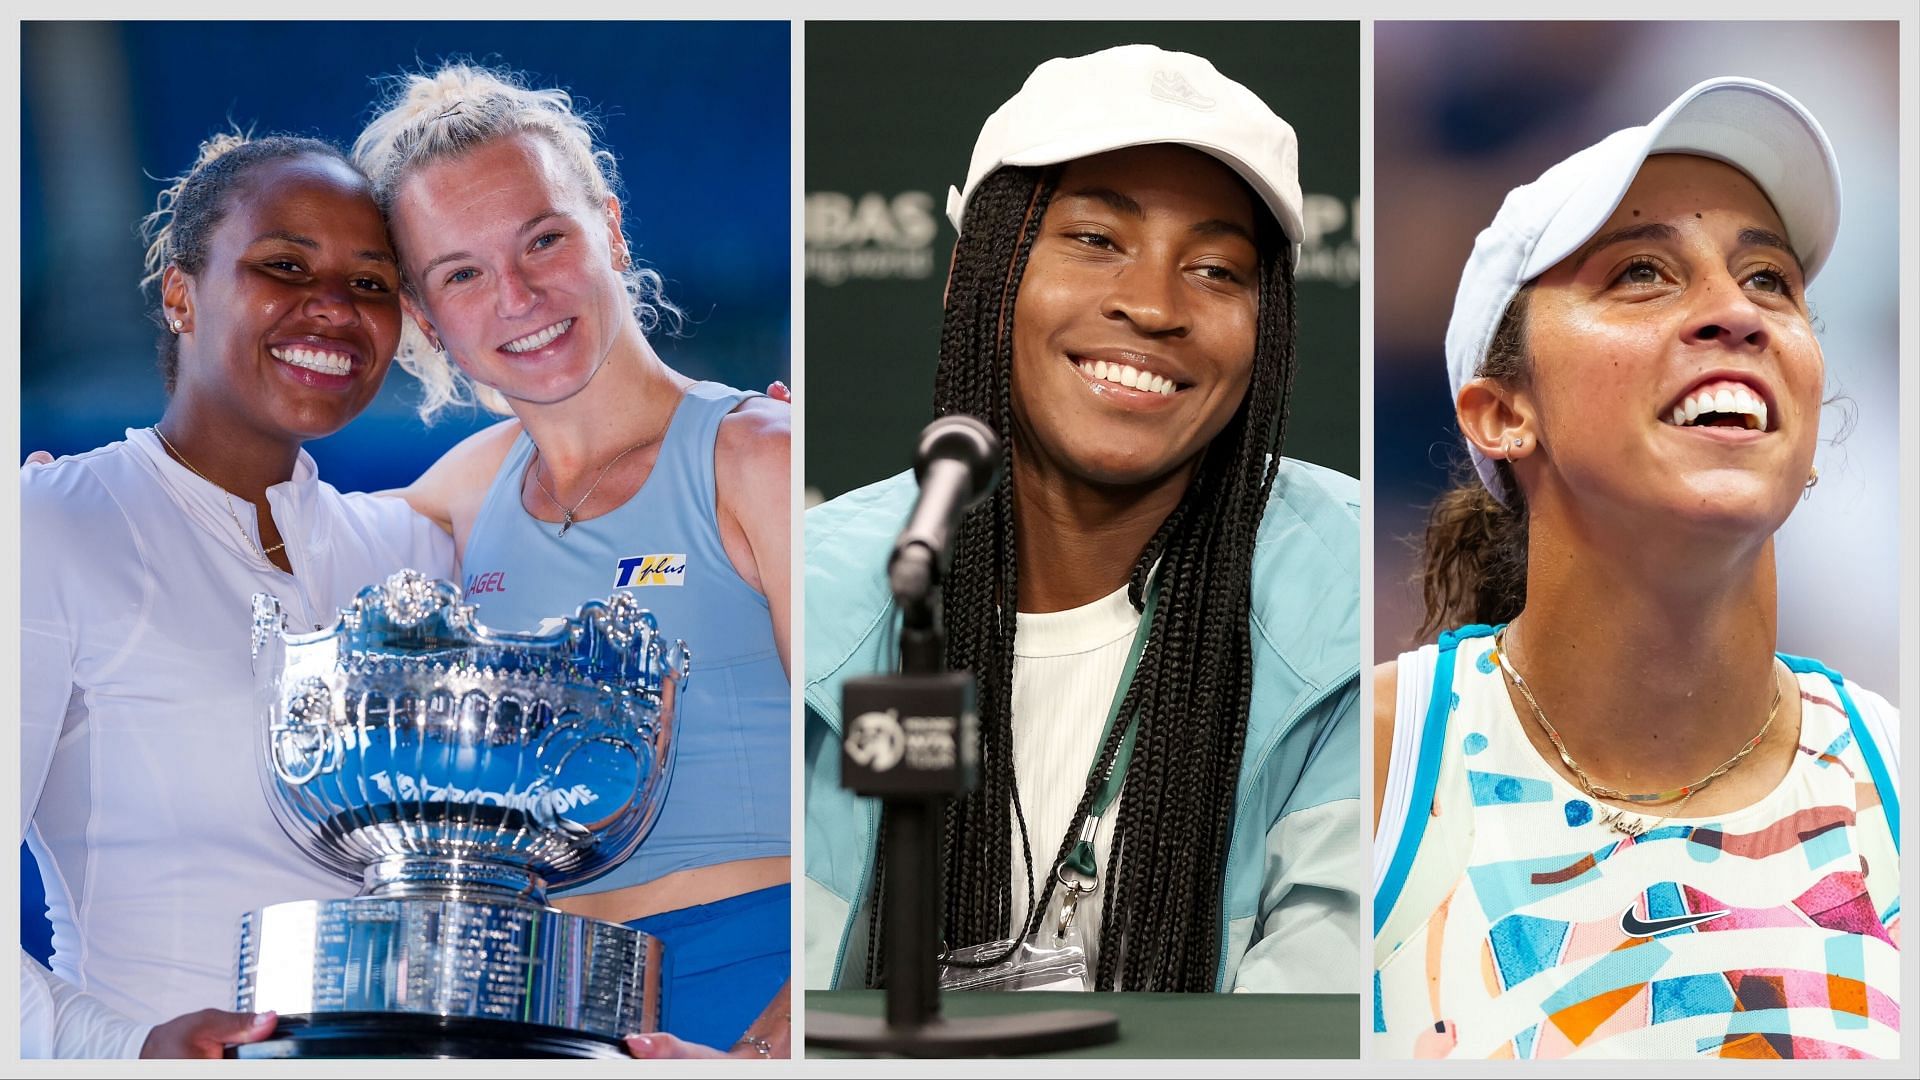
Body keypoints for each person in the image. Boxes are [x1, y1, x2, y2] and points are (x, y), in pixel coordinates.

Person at [804, 44, 1361, 994]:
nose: (1152, 305)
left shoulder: (1351, 602)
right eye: (1097, 240)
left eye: (1219, 270)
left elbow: (1314, 1023)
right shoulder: (815, 593)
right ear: (972, 277)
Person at [1371, 77, 1900, 1059]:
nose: (1735, 315)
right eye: (1643, 274)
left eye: (1771, 281)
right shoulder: (1365, 767)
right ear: (1503, 413)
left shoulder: (1901, 782)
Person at [350, 64, 792, 1057]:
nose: (517, 296)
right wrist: (73, 495)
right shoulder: (462, 490)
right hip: (543, 1009)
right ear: (427, 318)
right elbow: (248, 544)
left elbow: (889, 788)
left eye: (543, 239)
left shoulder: (760, 458)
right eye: (462, 273)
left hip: (758, 980)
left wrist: (776, 1048)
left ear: (612, 229)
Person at [19, 133, 455, 1058]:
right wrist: (127, 1047)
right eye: (284, 265)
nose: (332, 308)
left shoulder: (418, 552)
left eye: (371, 283)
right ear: (181, 293)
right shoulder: (51, 525)